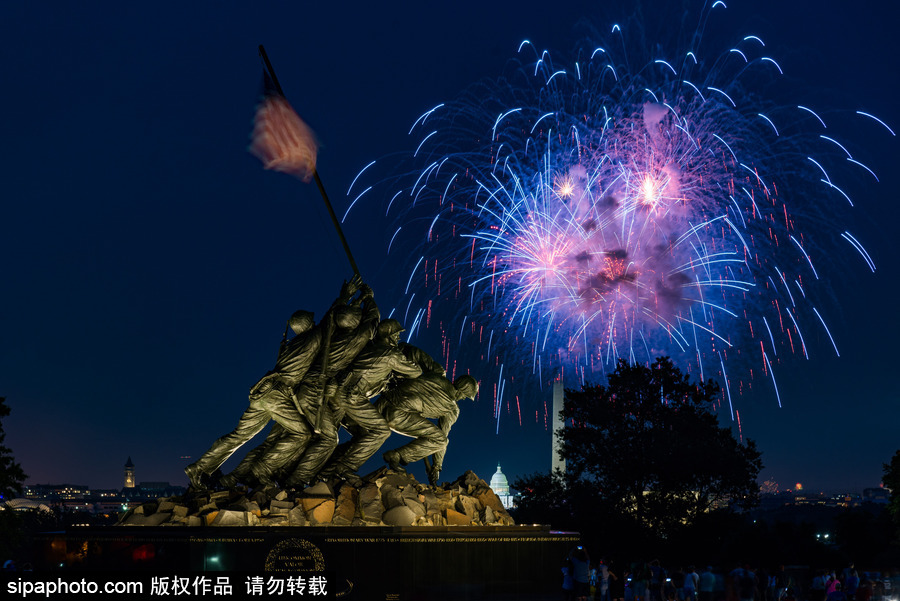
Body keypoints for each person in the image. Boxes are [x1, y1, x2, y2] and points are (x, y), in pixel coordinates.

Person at [183, 307, 323, 489]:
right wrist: (344, 298)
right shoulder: (311, 338)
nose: (314, 323)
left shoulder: (292, 345)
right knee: (302, 434)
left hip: (263, 392)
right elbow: (328, 322)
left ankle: (198, 467)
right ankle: (262, 469)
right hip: (276, 395)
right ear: (308, 325)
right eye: (311, 321)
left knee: (238, 436)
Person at [289, 318, 422, 485]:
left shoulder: (368, 349)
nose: (398, 339)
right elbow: (415, 372)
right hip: (351, 397)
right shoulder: (391, 354)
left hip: (339, 395)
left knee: (363, 434)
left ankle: (325, 471)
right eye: (396, 336)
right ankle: (345, 467)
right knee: (381, 431)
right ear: (389, 336)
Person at [376, 372, 478, 485]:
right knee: (441, 441)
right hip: (399, 415)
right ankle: (396, 455)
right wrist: (436, 467)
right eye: (465, 395)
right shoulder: (452, 409)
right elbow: (442, 436)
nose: (463, 398)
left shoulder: (436, 378)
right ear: (461, 391)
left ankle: (395, 456)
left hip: (384, 403)